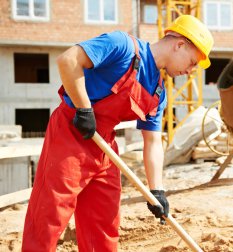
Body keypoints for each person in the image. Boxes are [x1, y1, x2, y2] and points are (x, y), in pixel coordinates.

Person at [22, 15, 213, 251]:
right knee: (50, 212)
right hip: (71, 131)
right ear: (180, 44)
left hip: (104, 146)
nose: (191, 70)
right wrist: (84, 109)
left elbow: (152, 142)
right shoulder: (122, 46)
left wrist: (157, 191)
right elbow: (68, 60)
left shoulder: (158, 93)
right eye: (193, 62)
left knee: (104, 220)